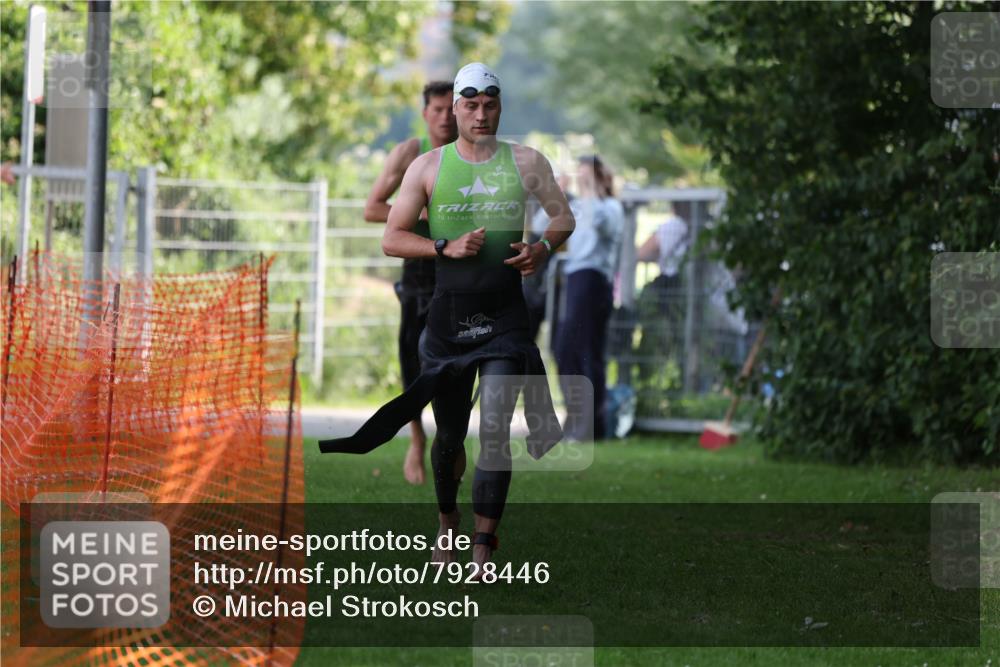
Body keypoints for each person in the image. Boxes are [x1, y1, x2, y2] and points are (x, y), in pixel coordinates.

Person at [320, 62, 575, 575]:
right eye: (471, 105)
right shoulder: (427, 166)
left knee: (498, 427)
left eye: (491, 104)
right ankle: (446, 523)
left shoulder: (526, 161)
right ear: (455, 109)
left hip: (505, 317)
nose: (482, 114)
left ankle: (484, 546)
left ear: (500, 105)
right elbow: (391, 237)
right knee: (451, 437)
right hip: (448, 322)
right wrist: (443, 245)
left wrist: (543, 248)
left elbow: (563, 216)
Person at [364, 81, 457, 485]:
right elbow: (372, 209)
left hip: (459, 276)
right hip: (419, 273)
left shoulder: (470, 154)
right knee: (412, 359)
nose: (445, 116)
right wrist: (424, 219)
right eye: (437, 109)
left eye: (451, 109)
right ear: (425, 113)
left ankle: (449, 439)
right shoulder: (409, 153)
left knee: (454, 363)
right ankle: (416, 438)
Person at [553, 155, 622, 440]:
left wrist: (591, 191)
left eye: (587, 176)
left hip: (593, 279)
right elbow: (541, 223)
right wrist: (555, 192)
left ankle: (592, 425)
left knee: (586, 352)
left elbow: (602, 226)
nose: (581, 181)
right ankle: (579, 419)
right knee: (564, 349)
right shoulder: (577, 206)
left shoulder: (610, 207)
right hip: (573, 278)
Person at [634, 203, 689, 388]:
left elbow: (641, 253)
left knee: (662, 341)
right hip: (687, 296)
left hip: (672, 294)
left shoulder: (674, 225)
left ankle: (652, 384)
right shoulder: (704, 227)